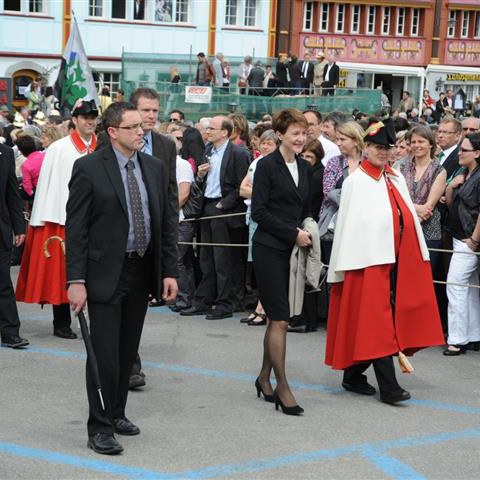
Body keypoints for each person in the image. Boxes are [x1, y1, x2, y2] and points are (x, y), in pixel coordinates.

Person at [66, 101, 178, 455]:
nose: (141, 131)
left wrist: (169, 271)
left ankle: (116, 413)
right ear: (112, 132)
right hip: (103, 272)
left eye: (141, 126)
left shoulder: (154, 167)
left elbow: (166, 223)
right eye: (132, 127)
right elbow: (77, 229)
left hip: (141, 269)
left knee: (127, 352)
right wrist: (76, 280)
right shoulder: (88, 168)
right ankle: (98, 427)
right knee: (104, 354)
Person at [325, 119, 444, 405]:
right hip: (367, 263)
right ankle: (389, 388)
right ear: (366, 148)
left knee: (384, 324)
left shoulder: (395, 178)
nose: (384, 152)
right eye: (378, 147)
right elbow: (350, 228)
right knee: (378, 325)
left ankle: (353, 374)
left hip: (397, 263)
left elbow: (406, 219)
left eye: (388, 147)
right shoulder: (356, 181)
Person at [16, 99, 99, 340]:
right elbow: (47, 188)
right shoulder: (59, 148)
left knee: (96, 271)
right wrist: (44, 218)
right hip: (62, 218)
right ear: (75, 119)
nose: (90, 121)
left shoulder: (102, 147)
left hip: (97, 219)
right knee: (61, 272)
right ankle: (61, 321)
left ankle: (99, 322)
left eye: (93, 117)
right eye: (85, 117)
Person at [251, 108, 312, 415]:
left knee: (277, 317)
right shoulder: (266, 166)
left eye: (304, 133)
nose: (301, 138)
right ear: (280, 135)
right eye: (295, 133)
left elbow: (305, 208)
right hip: (268, 248)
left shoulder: (304, 166)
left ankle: (263, 377)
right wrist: (293, 233)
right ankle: (282, 386)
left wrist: (307, 229)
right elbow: (258, 212)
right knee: (281, 318)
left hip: (292, 250)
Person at [180, 116, 250, 319]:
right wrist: (200, 176)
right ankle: (203, 300)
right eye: (207, 128)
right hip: (207, 207)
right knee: (205, 258)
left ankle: (225, 303)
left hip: (224, 209)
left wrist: (223, 204)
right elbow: (204, 182)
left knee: (222, 261)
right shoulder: (208, 150)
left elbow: (241, 185)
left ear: (225, 132)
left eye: (212, 128)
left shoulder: (238, 153)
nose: (208, 131)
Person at [443, 132, 480, 355]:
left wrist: (475, 239)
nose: (459, 153)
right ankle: (473, 334)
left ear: (476, 153)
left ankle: (457, 338)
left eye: (464, 150)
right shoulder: (465, 173)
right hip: (461, 237)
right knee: (468, 288)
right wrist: (451, 187)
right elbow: (451, 204)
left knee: (456, 285)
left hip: (468, 240)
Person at [239, 129, 278, 326]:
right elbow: (242, 189)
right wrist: (258, 194)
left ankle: (263, 308)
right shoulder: (256, 162)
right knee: (257, 265)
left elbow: (271, 194)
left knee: (266, 265)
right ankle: (259, 306)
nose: (264, 146)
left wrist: (256, 193)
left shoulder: (277, 165)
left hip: (268, 218)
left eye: (269, 143)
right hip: (253, 217)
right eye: (263, 143)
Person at [397, 126, 447, 270]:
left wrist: (406, 210)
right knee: (401, 277)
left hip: (429, 232)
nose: (416, 145)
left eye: (421, 141)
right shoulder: (400, 167)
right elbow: (395, 200)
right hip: (401, 229)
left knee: (424, 277)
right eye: (413, 142)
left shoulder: (439, 170)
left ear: (430, 144)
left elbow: (428, 208)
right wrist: (416, 209)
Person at [0, 143, 28, 348]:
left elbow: (12, 192)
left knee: (3, 282)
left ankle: (10, 332)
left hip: (1, 230)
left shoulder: (6, 153)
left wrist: (19, 227)